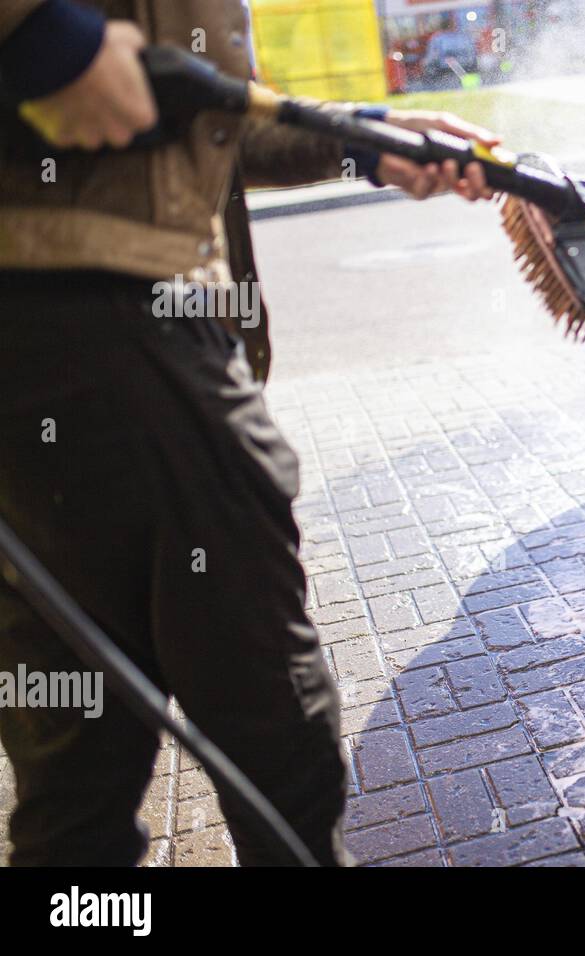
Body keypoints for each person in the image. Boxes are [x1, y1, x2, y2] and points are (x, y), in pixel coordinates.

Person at [0, 0, 497, 866]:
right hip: (118, 321)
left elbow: (212, 119)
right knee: (269, 717)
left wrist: (364, 137)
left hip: (62, 348)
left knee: (75, 759)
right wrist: (41, 35)